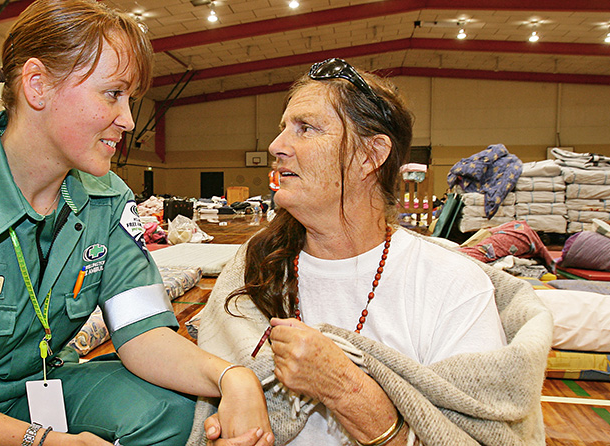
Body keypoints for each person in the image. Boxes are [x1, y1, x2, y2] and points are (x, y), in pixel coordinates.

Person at [0, 1, 273, 446]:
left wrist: (232, 377)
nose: (127, 120)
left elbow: (144, 335)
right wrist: (42, 441)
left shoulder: (108, 201)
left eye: (130, 100)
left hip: (37, 386)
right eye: (112, 94)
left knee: (178, 413)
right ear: (37, 85)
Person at [191, 59, 552, 445]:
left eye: (306, 128)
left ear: (371, 155)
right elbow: (217, 399)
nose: (276, 146)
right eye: (283, 129)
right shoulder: (251, 271)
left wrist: (346, 389)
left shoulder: (451, 286)